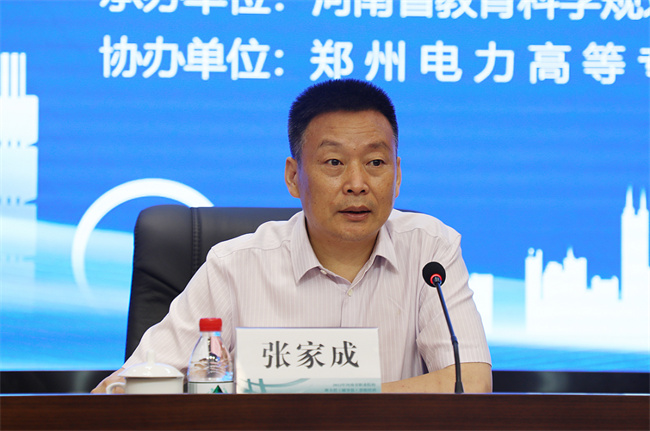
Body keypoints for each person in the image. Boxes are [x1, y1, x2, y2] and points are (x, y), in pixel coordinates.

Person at [92, 79, 492, 393]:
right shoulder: (234, 268)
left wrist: (332, 402)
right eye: (333, 162)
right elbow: (120, 388)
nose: (357, 183)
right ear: (292, 177)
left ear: (398, 175)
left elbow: (471, 382)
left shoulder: (430, 251)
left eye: (375, 162)